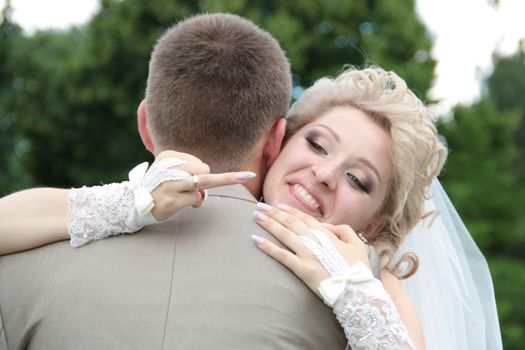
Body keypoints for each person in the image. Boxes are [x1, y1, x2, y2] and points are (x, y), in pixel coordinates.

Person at [0, 65, 503, 348]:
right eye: (319, 145)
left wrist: (355, 297)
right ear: (277, 143)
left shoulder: (373, 282)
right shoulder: (173, 204)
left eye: (357, 178)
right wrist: (129, 202)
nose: (325, 174)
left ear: (375, 222)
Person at [0, 13, 350, 349]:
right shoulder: (342, 286)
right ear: (276, 139)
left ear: (144, 124)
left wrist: (131, 205)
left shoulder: (21, 260)